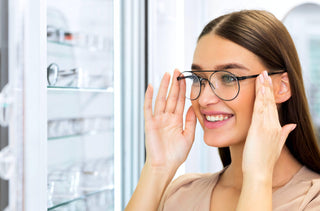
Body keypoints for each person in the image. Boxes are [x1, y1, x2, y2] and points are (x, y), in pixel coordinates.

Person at [125, 10, 320, 211]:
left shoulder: (312, 200)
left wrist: (258, 177)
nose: (204, 99)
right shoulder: (181, 194)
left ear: (281, 87)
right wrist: (157, 168)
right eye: (198, 79)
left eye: (228, 78)